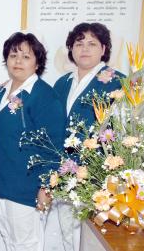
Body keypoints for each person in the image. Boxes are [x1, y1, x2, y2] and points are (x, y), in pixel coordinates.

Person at [48, 22, 124, 251]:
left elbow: (123, 131)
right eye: (79, 43)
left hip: (99, 175)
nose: (84, 49)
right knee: (67, 235)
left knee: (94, 240)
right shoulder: (62, 83)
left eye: (92, 43)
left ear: (103, 49)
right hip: (65, 173)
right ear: (70, 49)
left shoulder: (116, 81)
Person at [0, 32, 65, 251]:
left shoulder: (44, 96)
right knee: (10, 242)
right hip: (1, 185)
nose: (18, 61)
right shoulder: (2, 91)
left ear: (37, 62)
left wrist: (45, 188)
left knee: (26, 245)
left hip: (27, 188)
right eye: (13, 55)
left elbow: (53, 146)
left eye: (26, 56)